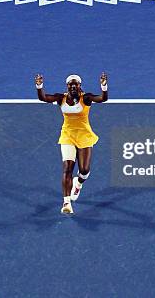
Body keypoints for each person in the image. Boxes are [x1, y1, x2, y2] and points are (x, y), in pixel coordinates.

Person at [35, 72, 108, 214]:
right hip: (67, 135)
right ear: (67, 86)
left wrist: (103, 86)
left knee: (84, 170)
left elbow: (102, 99)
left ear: (80, 86)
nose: (73, 86)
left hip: (84, 136)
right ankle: (66, 203)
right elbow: (43, 97)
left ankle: (78, 183)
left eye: (76, 84)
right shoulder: (60, 98)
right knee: (67, 167)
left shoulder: (85, 98)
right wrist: (39, 85)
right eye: (70, 84)